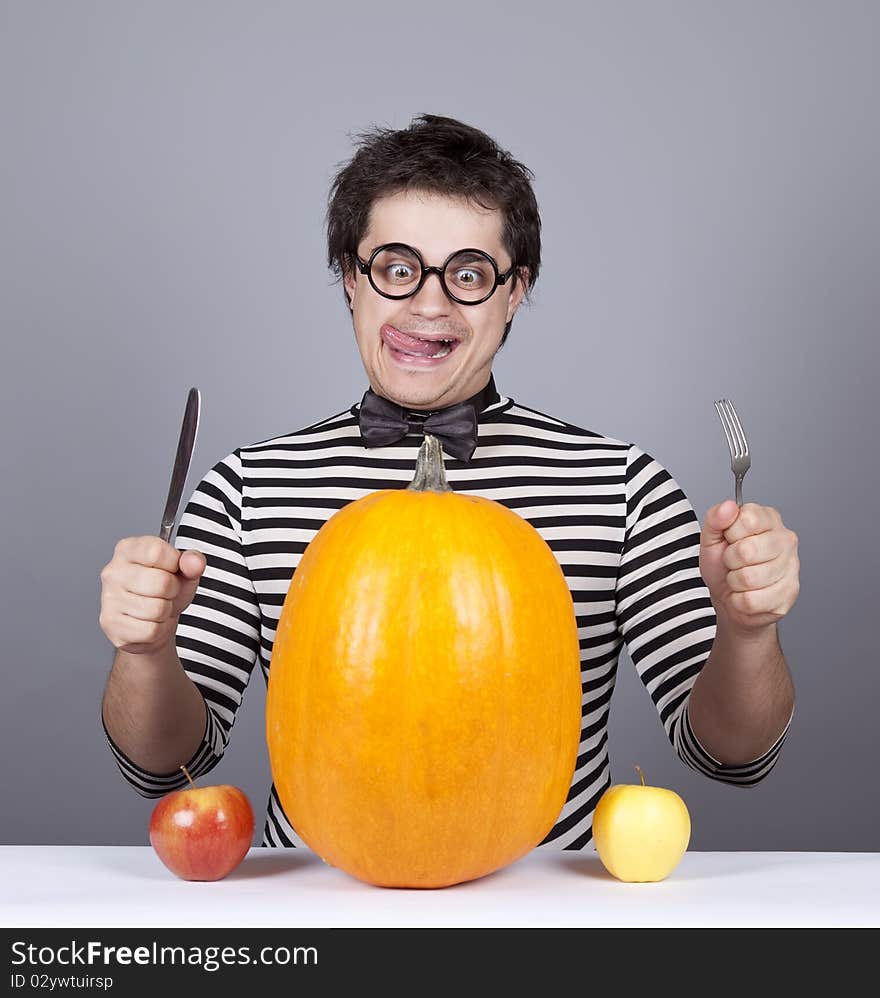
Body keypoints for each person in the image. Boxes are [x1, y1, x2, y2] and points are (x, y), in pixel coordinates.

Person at [98, 114, 799, 850]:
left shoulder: (623, 485)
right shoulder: (245, 486)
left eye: (468, 274)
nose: (428, 305)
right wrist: (144, 653)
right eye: (397, 267)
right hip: (317, 908)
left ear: (514, 290)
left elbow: (731, 756)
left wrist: (749, 632)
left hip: (540, 914)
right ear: (350, 277)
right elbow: (164, 765)